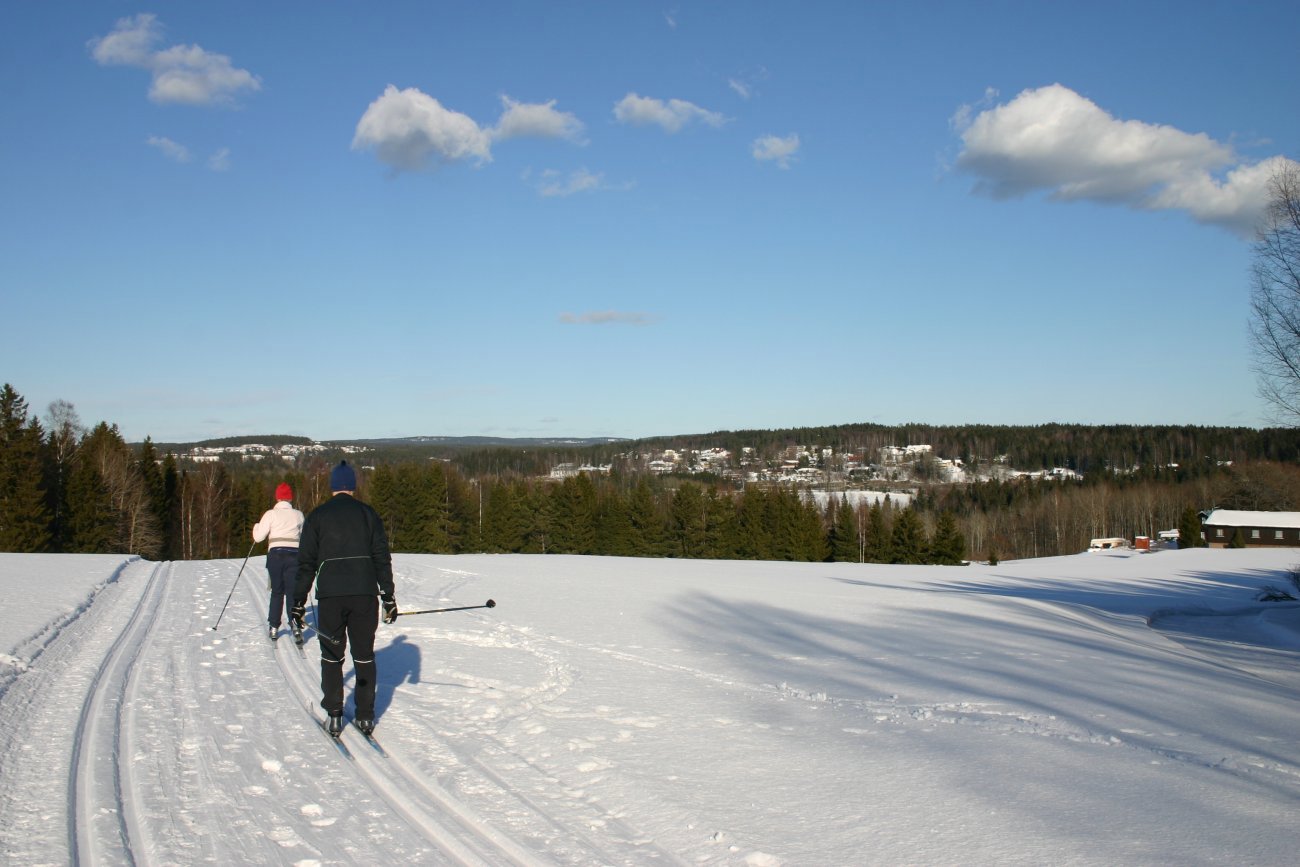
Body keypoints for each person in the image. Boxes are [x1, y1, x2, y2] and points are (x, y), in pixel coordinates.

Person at [291, 461, 397, 737]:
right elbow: (381, 559)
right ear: (352, 485)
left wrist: (298, 602)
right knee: (363, 657)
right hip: (364, 595)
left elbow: (306, 564)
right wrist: (388, 596)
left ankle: (335, 715)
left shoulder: (317, 516)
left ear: (333, 486)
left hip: (331, 598)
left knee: (332, 656)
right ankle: (365, 717)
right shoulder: (368, 514)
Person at [252, 482, 305, 641]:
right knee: (292, 593)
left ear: (277, 497)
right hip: (294, 555)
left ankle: (274, 627)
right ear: (290, 498)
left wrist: (256, 526)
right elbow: (304, 536)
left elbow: (258, 537)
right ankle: (295, 625)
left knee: (277, 591)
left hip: (275, 555)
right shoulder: (298, 514)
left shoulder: (270, 514)